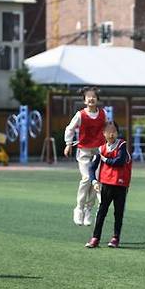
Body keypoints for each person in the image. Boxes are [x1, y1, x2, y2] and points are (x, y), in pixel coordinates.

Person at [63, 86, 107, 227]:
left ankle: (89, 210)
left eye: (93, 96)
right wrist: (68, 144)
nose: (91, 98)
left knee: (96, 182)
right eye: (88, 96)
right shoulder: (80, 115)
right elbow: (70, 128)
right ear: (84, 100)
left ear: (97, 99)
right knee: (87, 178)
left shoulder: (103, 114)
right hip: (84, 152)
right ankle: (79, 208)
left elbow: (108, 130)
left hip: (98, 152)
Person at [85, 121, 132, 249]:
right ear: (104, 134)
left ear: (117, 133)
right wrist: (94, 181)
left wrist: (105, 159)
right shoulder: (101, 149)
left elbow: (120, 161)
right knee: (101, 212)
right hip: (106, 184)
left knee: (118, 212)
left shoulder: (122, 145)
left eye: (114, 131)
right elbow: (91, 167)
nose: (111, 134)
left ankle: (115, 238)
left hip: (121, 185)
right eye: (108, 131)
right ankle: (95, 238)